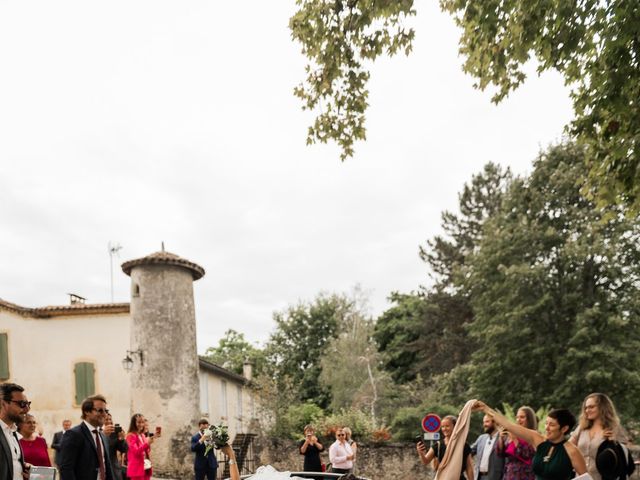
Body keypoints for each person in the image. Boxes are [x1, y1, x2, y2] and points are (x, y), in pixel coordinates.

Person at [473, 401, 586, 480]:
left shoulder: (572, 451)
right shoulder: (538, 439)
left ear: (564, 428)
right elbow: (508, 425)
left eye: (551, 425)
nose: (546, 428)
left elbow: (586, 478)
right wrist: (485, 408)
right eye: (546, 423)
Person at [59, 394, 114, 480]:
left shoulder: (103, 436)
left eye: (105, 411)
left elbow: (107, 466)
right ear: (87, 412)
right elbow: (66, 469)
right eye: (100, 410)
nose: (104, 414)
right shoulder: (73, 434)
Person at [570, 393, 625, 480]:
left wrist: (612, 441)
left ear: (602, 407)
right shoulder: (581, 428)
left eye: (591, 407)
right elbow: (568, 448)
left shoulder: (613, 428)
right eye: (586, 408)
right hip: (580, 477)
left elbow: (622, 456)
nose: (587, 410)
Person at [416, 414, 474, 480]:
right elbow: (425, 461)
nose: (444, 429)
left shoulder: (464, 445)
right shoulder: (438, 445)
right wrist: (421, 453)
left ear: (455, 427)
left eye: (447, 426)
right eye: (442, 426)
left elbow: (469, 468)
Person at [496, 406, 537, 480]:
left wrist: (515, 439)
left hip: (524, 475)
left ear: (529, 419)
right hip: (509, 475)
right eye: (517, 417)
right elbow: (500, 454)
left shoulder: (533, 435)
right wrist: (501, 438)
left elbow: (526, 455)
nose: (518, 420)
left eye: (522, 417)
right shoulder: (513, 434)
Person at [0, 382, 31, 480]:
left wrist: (20, 468)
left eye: (28, 404)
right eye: (22, 404)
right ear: (3, 403)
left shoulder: (13, 432)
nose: (27, 409)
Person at [126, 413, 160, 480]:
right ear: (134, 423)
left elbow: (146, 451)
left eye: (142, 422)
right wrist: (147, 443)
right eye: (139, 422)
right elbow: (136, 452)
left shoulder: (142, 435)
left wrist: (151, 439)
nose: (141, 424)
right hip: (136, 470)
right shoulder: (130, 436)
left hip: (145, 467)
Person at [472, 414, 504, 480]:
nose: (484, 424)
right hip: (479, 476)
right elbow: (469, 451)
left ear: (494, 422)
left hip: (495, 477)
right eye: (483, 422)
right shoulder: (481, 438)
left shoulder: (503, 438)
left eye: (487, 422)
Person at [105, 413, 127, 480]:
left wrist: (122, 439)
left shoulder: (114, 433)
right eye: (106, 419)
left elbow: (124, 449)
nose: (109, 421)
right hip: (103, 469)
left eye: (110, 419)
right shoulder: (98, 432)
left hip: (113, 468)